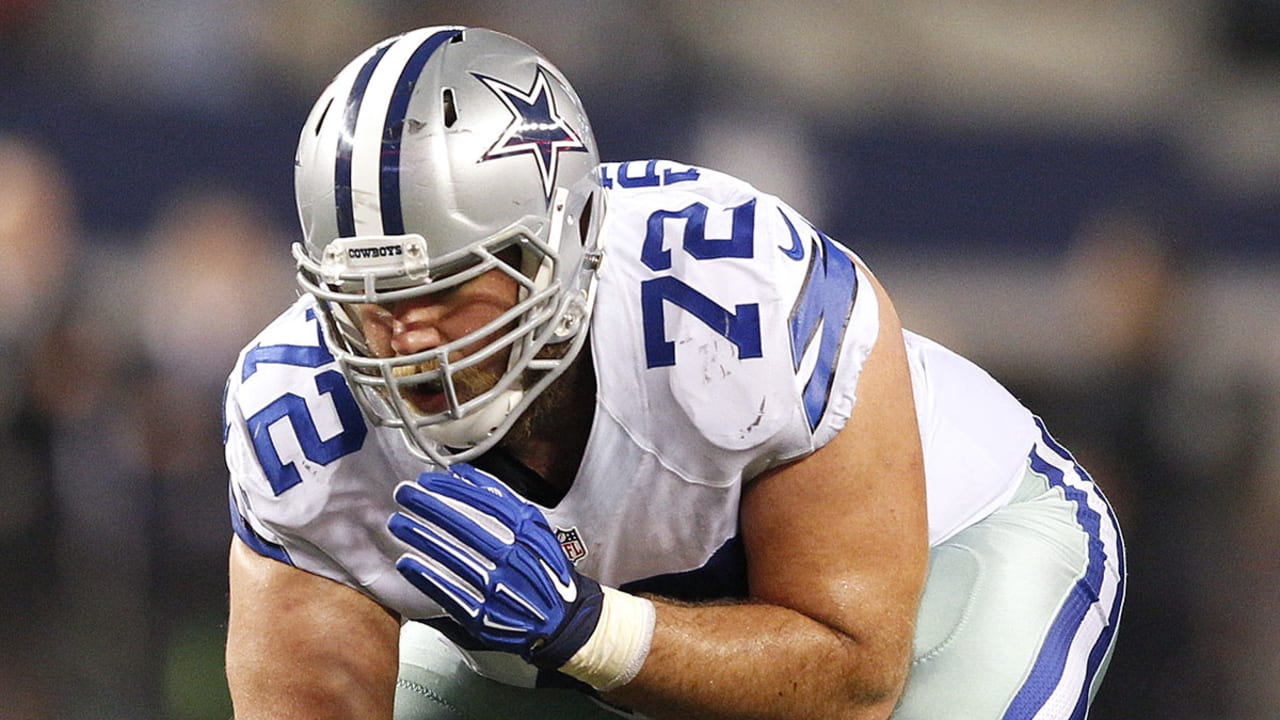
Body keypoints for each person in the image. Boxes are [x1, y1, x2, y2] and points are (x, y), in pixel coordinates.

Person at [223, 26, 1125, 720]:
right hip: (578, 637)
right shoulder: (299, 419)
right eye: (369, 296)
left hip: (949, 555)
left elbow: (852, 681)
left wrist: (590, 629)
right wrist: (582, 637)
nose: (405, 335)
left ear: (567, 244)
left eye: (450, 284)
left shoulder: (732, 298)